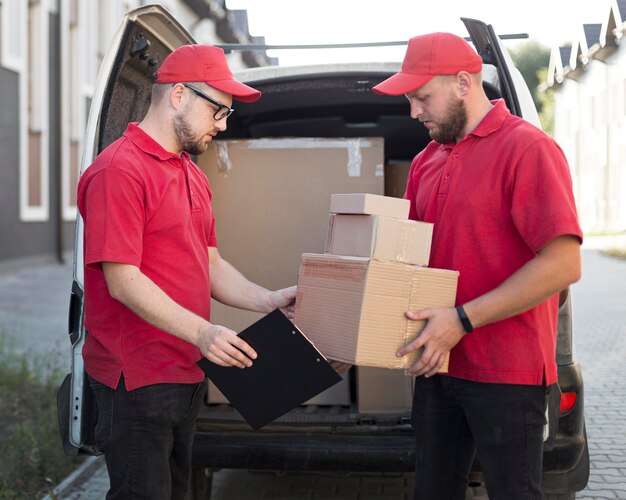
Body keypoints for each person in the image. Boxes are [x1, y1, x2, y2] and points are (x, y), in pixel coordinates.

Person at [77, 44, 296, 499]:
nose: (222, 125)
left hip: (188, 372)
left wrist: (268, 299)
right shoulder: (119, 170)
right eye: (218, 111)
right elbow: (122, 279)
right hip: (136, 379)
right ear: (179, 95)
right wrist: (204, 332)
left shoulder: (192, 173)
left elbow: (210, 262)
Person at [372, 32, 583, 500]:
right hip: (437, 366)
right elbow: (409, 261)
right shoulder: (427, 160)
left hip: (508, 373)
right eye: (410, 99)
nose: (414, 112)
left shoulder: (528, 148)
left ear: (464, 83)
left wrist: (462, 320)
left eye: (422, 98)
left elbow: (564, 263)